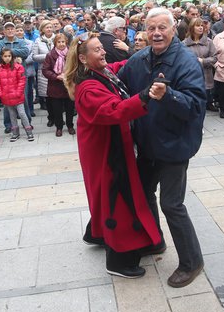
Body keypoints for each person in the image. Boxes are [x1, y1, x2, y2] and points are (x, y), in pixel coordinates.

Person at [118, 7, 207, 288]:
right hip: (148, 143)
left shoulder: (186, 61)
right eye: (151, 28)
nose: (156, 33)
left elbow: (194, 106)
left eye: (162, 28)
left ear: (173, 29)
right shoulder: (140, 59)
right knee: (143, 193)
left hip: (175, 145)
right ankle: (154, 240)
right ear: (144, 30)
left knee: (171, 203)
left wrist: (168, 95)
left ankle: (192, 262)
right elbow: (120, 85)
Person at [64, 32, 164, 278]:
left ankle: (96, 234)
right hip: (104, 153)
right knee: (115, 198)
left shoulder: (100, 73)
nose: (104, 52)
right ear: (84, 59)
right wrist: (145, 96)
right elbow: (113, 110)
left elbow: (121, 66)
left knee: (105, 195)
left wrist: (142, 51)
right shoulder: (87, 87)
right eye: (97, 50)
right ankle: (118, 261)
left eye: (102, 48)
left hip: (108, 146)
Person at [0, 48, 33, 142]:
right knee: (12, 115)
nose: (7, 58)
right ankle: (15, 133)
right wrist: (0, 94)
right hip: (6, 97)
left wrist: (18, 92)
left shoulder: (18, 67)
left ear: (12, 57)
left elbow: (22, 81)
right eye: (5, 56)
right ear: (1, 57)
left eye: (9, 56)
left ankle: (29, 131)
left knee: (22, 113)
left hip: (17, 96)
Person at [42, 33, 75, 136]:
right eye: (59, 42)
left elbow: (76, 67)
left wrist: (69, 75)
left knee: (70, 108)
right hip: (55, 86)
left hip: (69, 85)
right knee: (57, 109)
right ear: (55, 43)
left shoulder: (71, 54)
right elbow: (45, 70)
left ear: (66, 42)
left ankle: (70, 125)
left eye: (63, 42)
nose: (61, 44)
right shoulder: (50, 55)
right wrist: (56, 76)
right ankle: (59, 127)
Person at [183, 18, 217, 113]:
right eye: (198, 26)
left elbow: (214, 57)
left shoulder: (209, 42)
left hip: (206, 74)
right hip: (191, 75)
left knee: (204, 97)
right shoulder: (184, 43)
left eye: (202, 25)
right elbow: (182, 60)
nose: (201, 28)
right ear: (192, 28)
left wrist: (203, 61)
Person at [32, 20, 55, 121]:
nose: (49, 29)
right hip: (44, 71)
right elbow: (34, 57)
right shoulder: (38, 41)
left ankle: (58, 117)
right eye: (47, 27)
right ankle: (51, 117)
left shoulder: (57, 38)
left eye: (50, 27)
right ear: (42, 29)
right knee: (48, 97)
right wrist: (48, 56)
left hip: (57, 70)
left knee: (57, 95)